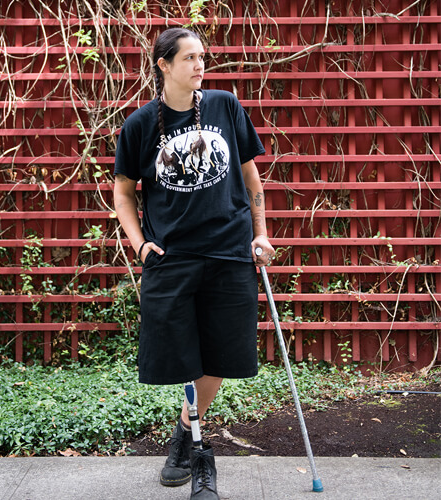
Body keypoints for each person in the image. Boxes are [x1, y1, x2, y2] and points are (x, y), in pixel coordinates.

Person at [113, 27, 274, 500]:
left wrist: (260, 231)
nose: (200, 65)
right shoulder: (140, 125)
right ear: (164, 65)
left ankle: (189, 437)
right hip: (172, 255)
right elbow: (123, 193)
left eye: (202, 57)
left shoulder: (224, 106)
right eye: (189, 58)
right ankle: (191, 434)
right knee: (179, 353)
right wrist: (140, 244)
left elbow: (250, 176)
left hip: (229, 250)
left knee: (222, 351)